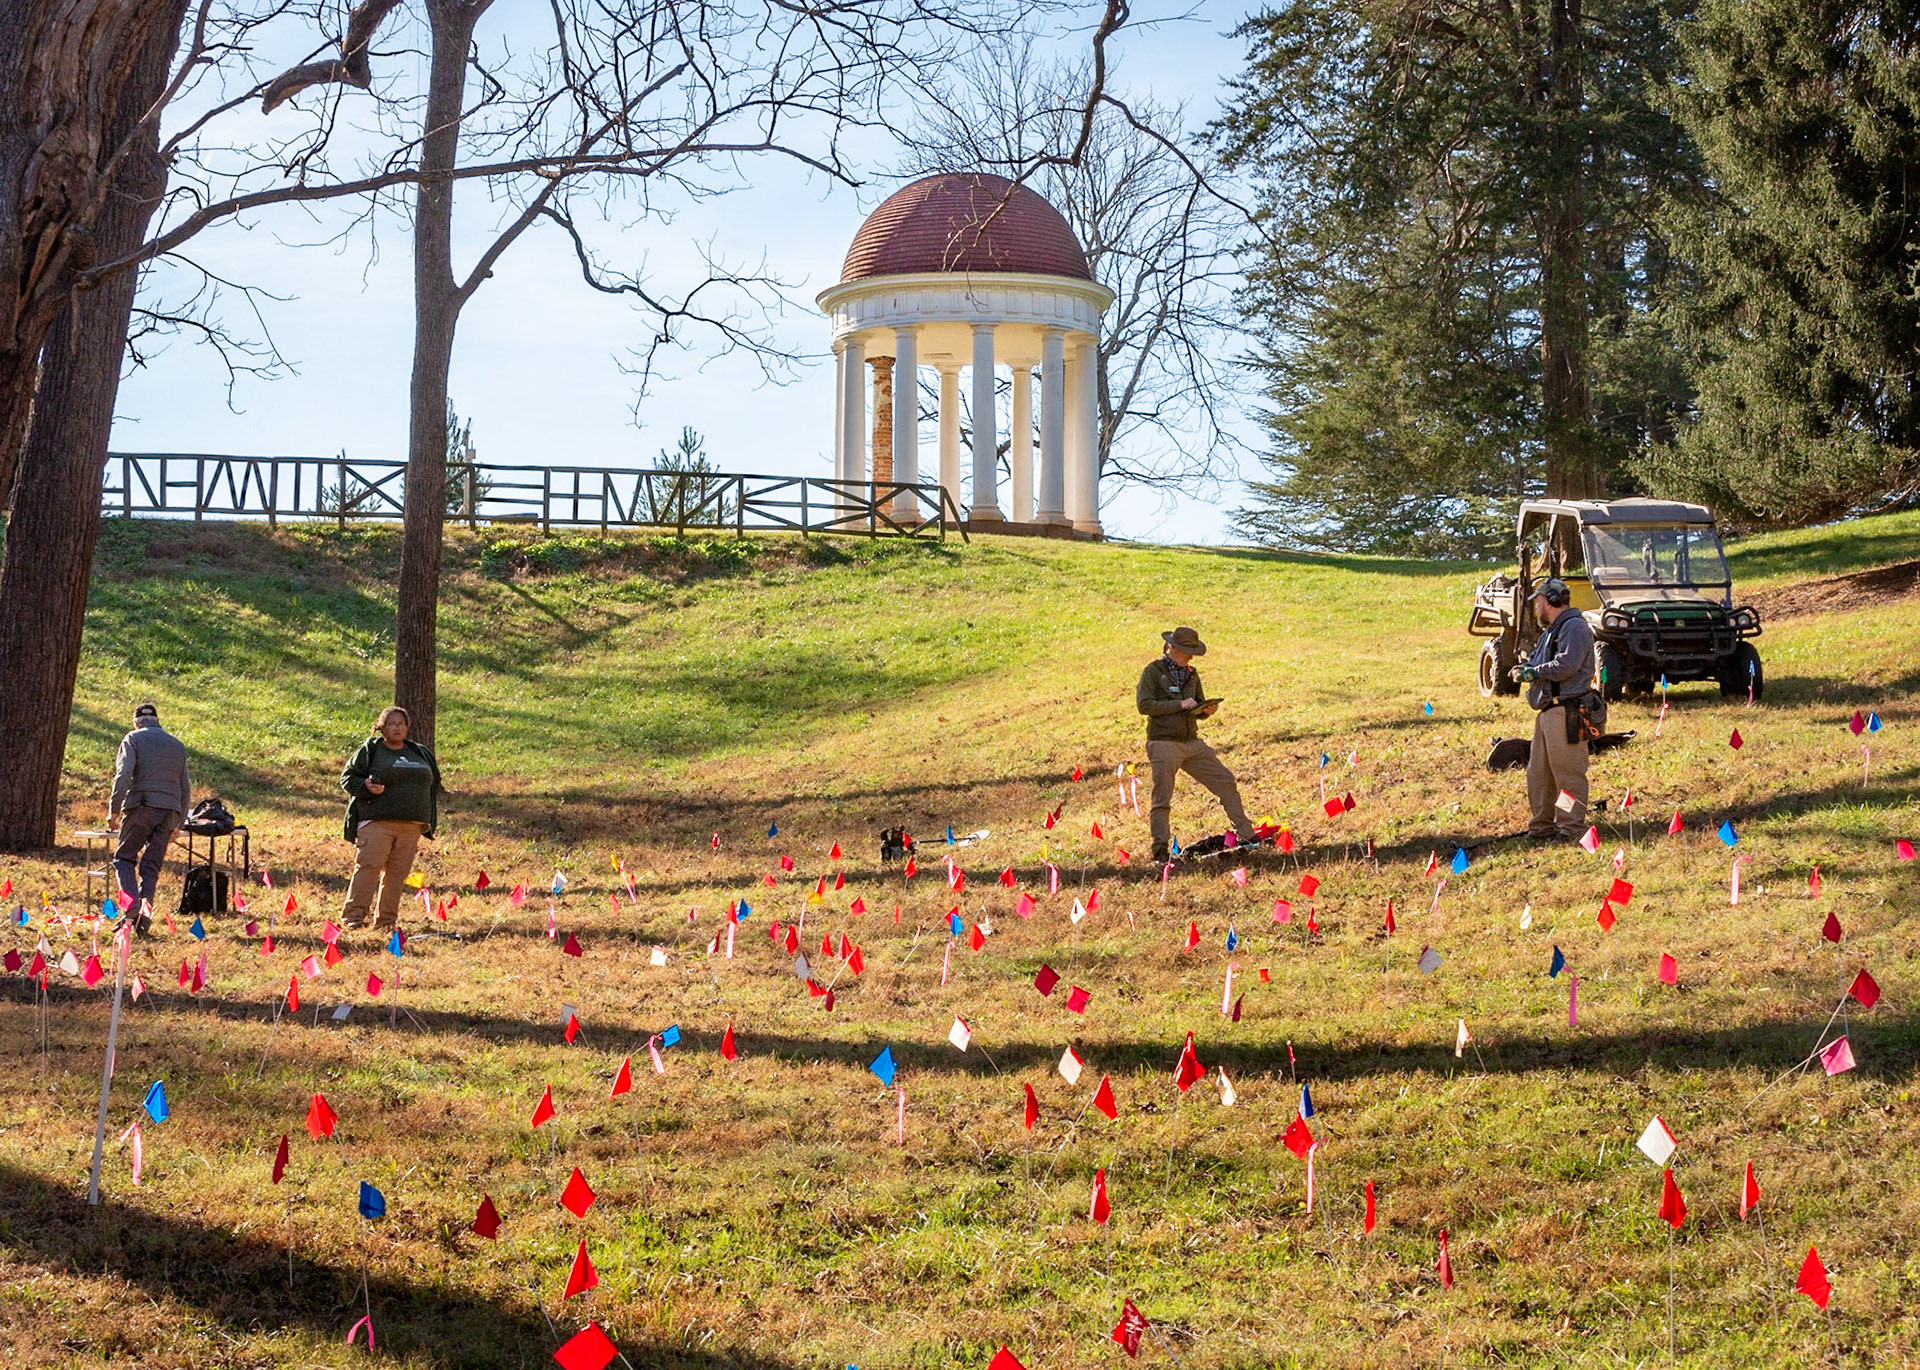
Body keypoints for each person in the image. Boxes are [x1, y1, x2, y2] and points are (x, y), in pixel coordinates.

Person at [1137, 626, 1258, 865]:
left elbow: (1196, 705)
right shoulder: (1153, 671)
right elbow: (1144, 705)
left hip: (1192, 742)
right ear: (1173, 648)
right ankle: (1160, 852)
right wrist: (1179, 704)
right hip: (1163, 743)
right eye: (1187, 650)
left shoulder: (1192, 674)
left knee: (1225, 781)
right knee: (1162, 799)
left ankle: (1247, 836)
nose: (1191, 656)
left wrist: (1205, 710)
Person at [340, 706, 443, 931]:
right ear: (382, 727)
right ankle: (353, 918)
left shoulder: (419, 752)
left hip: (411, 826)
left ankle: (386, 922)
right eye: (391, 724)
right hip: (377, 823)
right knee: (368, 868)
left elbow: (434, 781)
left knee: (397, 874)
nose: (397, 728)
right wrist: (365, 786)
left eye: (401, 724)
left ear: (407, 728)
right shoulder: (371, 750)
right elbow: (347, 778)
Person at [1511, 578, 1599, 840]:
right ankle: (1542, 827)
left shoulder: (1574, 627)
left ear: (1550, 600)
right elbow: (1540, 662)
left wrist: (1533, 673)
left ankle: (1570, 827)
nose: (1536, 607)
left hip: (1567, 712)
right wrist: (1525, 668)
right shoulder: (1553, 630)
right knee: (1539, 776)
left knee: (1567, 777)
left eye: (1538, 601)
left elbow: (1567, 665)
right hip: (1549, 712)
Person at [108, 702, 191, 926]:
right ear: (157, 721)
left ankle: (131, 908)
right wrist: (180, 823)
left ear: (136, 722)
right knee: (151, 866)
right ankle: (144, 920)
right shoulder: (176, 745)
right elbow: (185, 788)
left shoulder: (132, 739)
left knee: (124, 858)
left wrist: (114, 809)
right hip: (170, 811)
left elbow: (123, 774)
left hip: (142, 806)